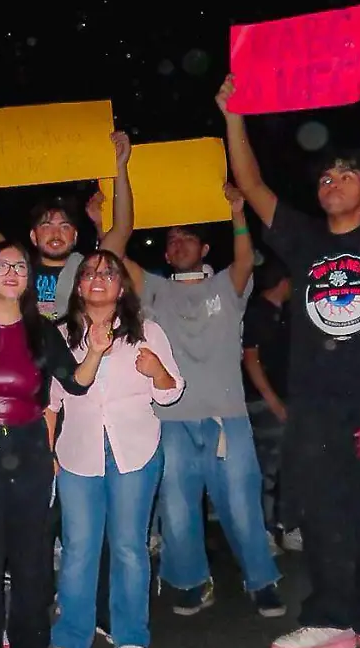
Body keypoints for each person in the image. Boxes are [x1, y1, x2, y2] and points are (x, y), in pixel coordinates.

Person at [222, 47, 360, 648]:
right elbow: (254, 184)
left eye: (344, 174)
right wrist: (234, 115)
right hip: (316, 402)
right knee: (321, 509)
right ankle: (329, 615)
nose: (330, 182)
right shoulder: (304, 238)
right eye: (323, 177)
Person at [122, 184, 283, 618]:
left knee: (242, 502)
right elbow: (116, 258)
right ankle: (193, 580)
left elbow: (246, 259)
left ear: (205, 246)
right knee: (176, 508)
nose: (178, 244)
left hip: (225, 416)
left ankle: (261, 580)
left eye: (187, 236)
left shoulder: (225, 287)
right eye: (171, 239)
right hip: (169, 418)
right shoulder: (152, 290)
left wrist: (236, 212)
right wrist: (109, 215)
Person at [0, 240, 96, 648]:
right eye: (1, 265)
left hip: (30, 445)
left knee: (31, 553)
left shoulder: (41, 330)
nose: (12, 271)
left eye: (20, 265)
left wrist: (96, 350)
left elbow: (74, 384)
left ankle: (30, 643)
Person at [47, 251, 184, 648]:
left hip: (136, 451)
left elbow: (170, 391)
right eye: (89, 273)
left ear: (121, 286)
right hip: (77, 452)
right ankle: (70, 640)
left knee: (128, 547)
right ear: (79, 287)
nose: (98, 279)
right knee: (78, 550)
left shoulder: (148, 331)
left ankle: (130, 637)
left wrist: (158, 370)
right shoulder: (60, 335)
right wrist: (48, 451)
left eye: (108, 273)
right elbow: (50, 403)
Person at [0, 133, 134, 319]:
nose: (56, 233)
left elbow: (122, 230)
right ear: (33, 236)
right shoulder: (20, 268)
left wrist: (120, 167)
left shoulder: (90, 270)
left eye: (64, 226)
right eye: (46, 225)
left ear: (75, 236)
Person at [240, 261, 300, 550]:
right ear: (282, 280)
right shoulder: (257, 313)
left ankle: (286, 526)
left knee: (289, 465)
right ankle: (264, 530)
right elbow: (250, 359)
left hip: (285, 400)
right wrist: (273, 401)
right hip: (263, 403)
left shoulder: (285, 313)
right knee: (267, 468)